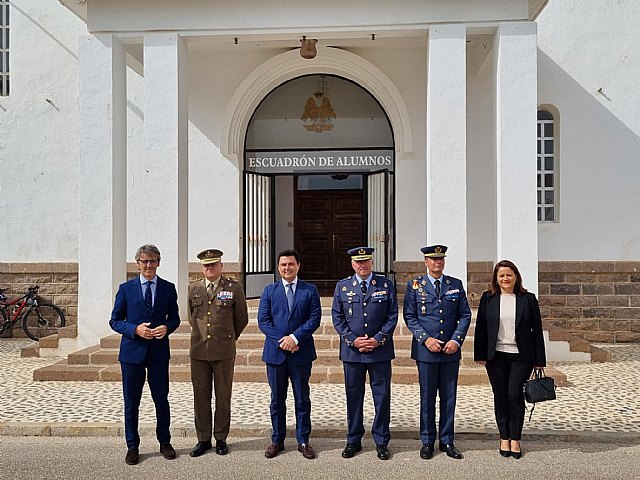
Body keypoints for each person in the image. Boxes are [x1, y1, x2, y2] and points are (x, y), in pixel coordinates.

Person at [109, 244, 181, 465]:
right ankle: (132, 445)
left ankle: (165, 442)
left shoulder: (168, 288)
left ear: (158, 262)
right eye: (144, 261)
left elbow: (175, 318)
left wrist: (167, 328)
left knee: (161, 399)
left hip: (158, 353)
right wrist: (135, 329)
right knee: (132, 402)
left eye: (152, 261)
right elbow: (115, 321)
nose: (148, 265)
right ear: (137, 263)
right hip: (132, 354)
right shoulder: (126, 289)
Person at [403, 244, 471, 460]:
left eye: (441, 259)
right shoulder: (415, 285)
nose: (437, 262)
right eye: (433, 259)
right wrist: (426, 339)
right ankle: (427, 441)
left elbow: (465, 315)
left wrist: (456, 340)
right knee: (427, 398)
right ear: (426, 262)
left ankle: (447, 441)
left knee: (449, 398)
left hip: (450, 350)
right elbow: (410, 317)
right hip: (427, 352)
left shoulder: (455, 285)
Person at [473, 259, 546, 459]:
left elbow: (537, 331)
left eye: (509, 275)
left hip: (521, 356)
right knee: (500, 396)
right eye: (502, 275)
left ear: (516, 277)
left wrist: (540, 360)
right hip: (495, 356)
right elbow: (481, 327)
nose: (506, 278)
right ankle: (504, 437)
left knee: (515, 395)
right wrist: (479, 354)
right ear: (496, 279)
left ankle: (516, 438)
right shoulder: (488, 298)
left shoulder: (528, 299)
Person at [331, 247, 398, 461]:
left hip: (380, 351)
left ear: (371, 262)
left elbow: (392, 316)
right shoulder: (342, 287)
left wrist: (378, 339)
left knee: (382, 397)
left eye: (366, 261)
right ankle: (353, 440)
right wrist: (353, 339)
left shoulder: (385, 285)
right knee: (354, 397)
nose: (363, 265)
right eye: (358, 262)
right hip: (353, 352)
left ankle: (381, 441)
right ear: (352, 264)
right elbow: (337, 317)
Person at [258, 249, 322, 459]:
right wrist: (284, 341)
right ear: (278, 267)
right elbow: (264, 321)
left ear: (298, 266)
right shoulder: (269, 291)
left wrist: (294, 338)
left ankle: (303, 440)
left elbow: (314, 319)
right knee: (277, 399)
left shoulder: (309, 290)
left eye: (291, 264)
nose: (287, 268)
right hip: (276, 354)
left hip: (301, 352)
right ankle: (277, 439)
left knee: (302, 399)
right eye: (283, 265)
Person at [188, 249, 248, 458]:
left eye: (214, 264)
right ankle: (203, 439)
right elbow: (191, 318)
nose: (210, 268)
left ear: (221, 266)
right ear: (202, 268)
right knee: (201, 397)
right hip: (199, 351)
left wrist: (227, 338)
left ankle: (221, 438)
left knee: (223, 396)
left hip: (223, 351)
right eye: (206, 265)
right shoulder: (193, 288)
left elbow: (241, 318)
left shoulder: (233, 287)